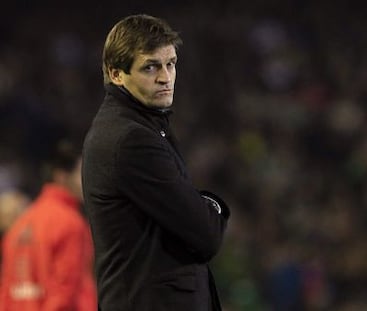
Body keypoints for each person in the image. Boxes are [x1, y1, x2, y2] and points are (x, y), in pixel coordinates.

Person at [81, 14, 230, 311]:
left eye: (170, 64)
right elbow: (207, 235)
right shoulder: (130, 139)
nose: (165, 77)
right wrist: (212, 204)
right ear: (116, 74)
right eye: (150, 67)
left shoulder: (137, 126)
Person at [0, 141, 97, 311]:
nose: (86, 180)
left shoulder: (21, 224)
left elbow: (7, 292)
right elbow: (64, 293)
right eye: (80, 173)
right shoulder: (70, 223)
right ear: (62, 176)